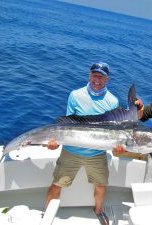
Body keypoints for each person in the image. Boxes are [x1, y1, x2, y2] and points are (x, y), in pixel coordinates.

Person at [45, 62, 119, 225]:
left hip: (97, 154)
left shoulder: (113, 101)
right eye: (94, 75)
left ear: (107, 79)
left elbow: (113, 134)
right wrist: (56, 143)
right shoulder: (75, 95)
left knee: (100, 186)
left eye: (101, 76)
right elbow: (66, 124)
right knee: (57, 184)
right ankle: (46, 213)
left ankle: (98, 211)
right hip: (71, 151)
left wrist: (118, 148)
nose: (97, 79)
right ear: (89, 75)